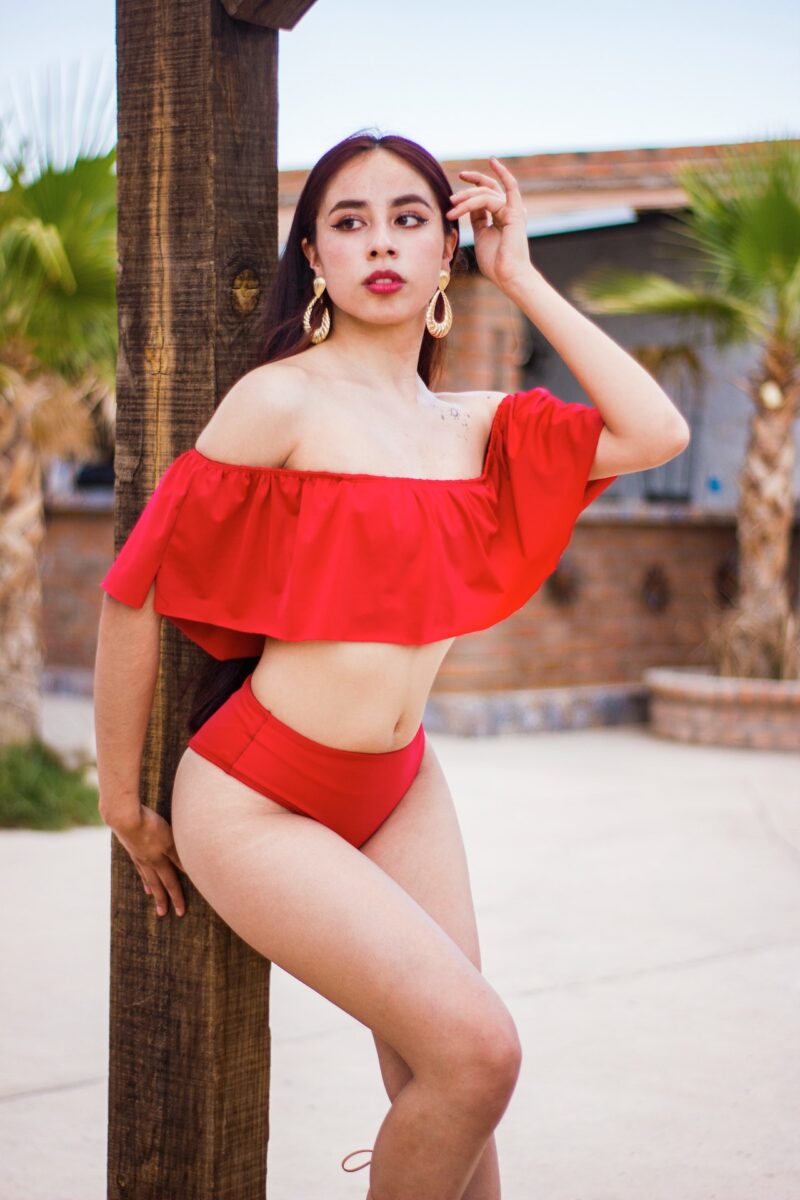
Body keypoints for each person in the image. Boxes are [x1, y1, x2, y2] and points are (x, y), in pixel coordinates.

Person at [94, 129, 690, 1200]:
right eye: (348, 221)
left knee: (453, 1098)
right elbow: (134, 588)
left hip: (401, 783)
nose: (380, 242)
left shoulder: (478, 426)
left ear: (445, 249)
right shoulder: (280, 401)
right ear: (313, 259)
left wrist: (521, 272)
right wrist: (120, 798)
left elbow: (652, 431)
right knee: (480, 1054)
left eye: (409, 218)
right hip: (255, 800)